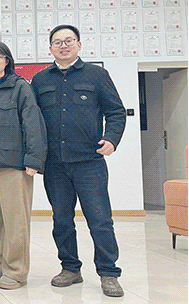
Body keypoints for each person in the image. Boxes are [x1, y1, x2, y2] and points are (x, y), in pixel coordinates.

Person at [31, 25, 127, 298]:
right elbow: (32, 120)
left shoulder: (97, 75)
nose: (63, 46)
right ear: (50, 48)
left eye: (68, 41)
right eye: (57, 42)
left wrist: (111, 139)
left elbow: (116, 111)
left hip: (89, 162)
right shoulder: (40, 80)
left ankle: (108, 272)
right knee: (62, 220)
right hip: (54, 164)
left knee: (100, 220)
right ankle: (70, 268)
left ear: (79, 44)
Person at [0, 41, 47, 290]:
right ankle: (3, 263)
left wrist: (34, 160)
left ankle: (17, 271)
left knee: (16, 221)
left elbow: (33, 123)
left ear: (7, 60)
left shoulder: (20, 87)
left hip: (14, 166)